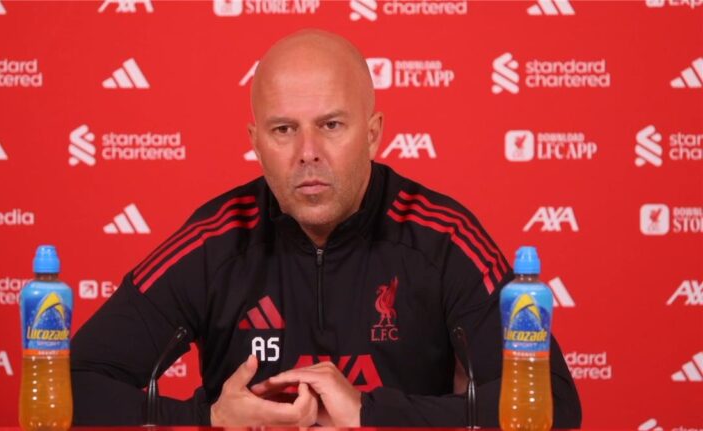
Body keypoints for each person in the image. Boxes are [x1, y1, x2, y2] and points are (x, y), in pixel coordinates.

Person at [71, 29, 582, 427]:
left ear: (373, 134)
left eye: (331, 125)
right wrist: (209, 419)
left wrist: (369, 414)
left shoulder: (443, 238)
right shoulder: (216, 240)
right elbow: (71, 385)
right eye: (283, 129)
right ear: (256, 142)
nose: (308, 152)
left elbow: (554, 404)